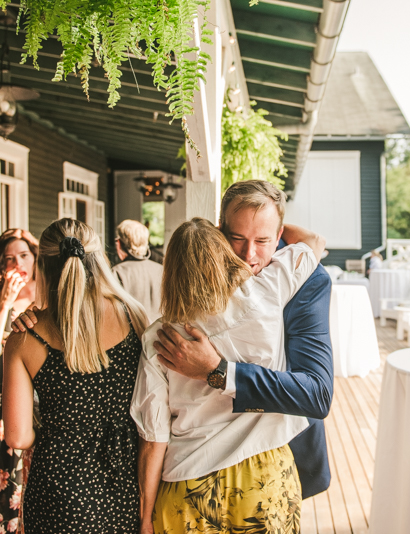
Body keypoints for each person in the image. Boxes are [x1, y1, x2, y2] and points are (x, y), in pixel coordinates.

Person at [132, 217, 325, 533]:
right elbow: (314, 241)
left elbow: (154, 438)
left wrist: (144, 517)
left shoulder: (159, 339)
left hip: (188, 481)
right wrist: (271, 228)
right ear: (225, 254)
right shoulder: (269, 291)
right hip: (263, 475)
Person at [152, 180, 334, 499]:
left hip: (276, 460)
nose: (249, 255)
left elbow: (317, 394)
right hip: (195, 464)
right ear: (219, 232)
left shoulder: (304, 280)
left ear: (279, 237)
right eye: (236, 238)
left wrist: (220, 371)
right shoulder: (194, 289)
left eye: (263, 240)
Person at [1, 218, 148, 533]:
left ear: (44, 267)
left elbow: (17, 437)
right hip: (126, 478)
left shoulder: (26, 336)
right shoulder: (135, 317)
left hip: (58, 486)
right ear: (99, 260)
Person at [0, 228, 38, 534]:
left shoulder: (46, 290)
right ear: (0, 266)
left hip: (40, 389)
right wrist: (5, 302)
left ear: (36, 258)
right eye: (9, 259)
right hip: (5, 392)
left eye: (24, 256)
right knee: (6, 471)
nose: (18, 264)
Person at [112, 220, 164, 321]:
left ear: (119, 243)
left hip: (131, 334)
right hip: (160, 333)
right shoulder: (162, 270)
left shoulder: (117, 272)